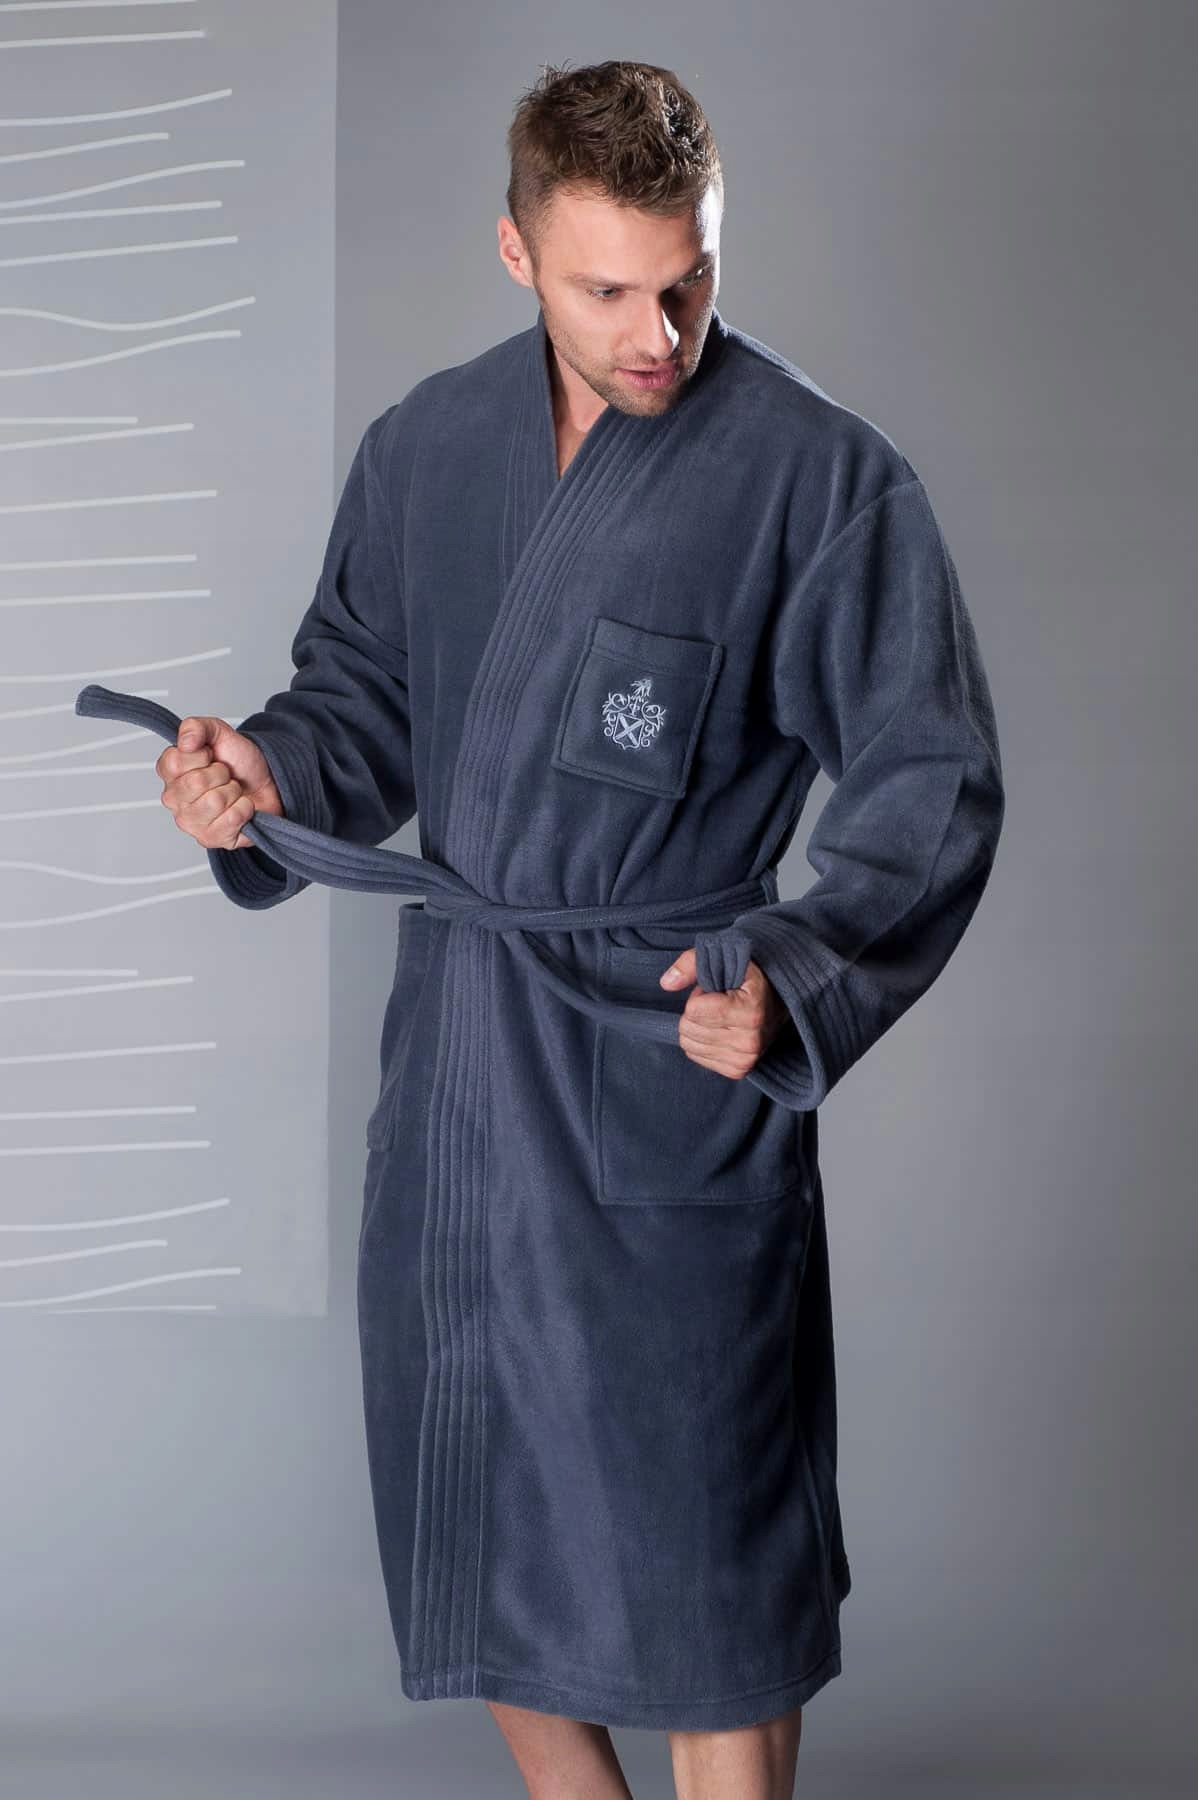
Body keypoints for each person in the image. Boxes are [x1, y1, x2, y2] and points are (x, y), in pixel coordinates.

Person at [142, 58, 1004, 1800]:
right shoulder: (426, 447)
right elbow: (362, 700)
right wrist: (263, 771)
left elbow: (932, 779)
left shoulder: (820, 479)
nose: (656, 333)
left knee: (705, 1567)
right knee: (477, 1520)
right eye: (606, 290)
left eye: (686, 281)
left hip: (662, 1061)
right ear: (515, 253)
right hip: (468, 1056)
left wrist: (794, 976)